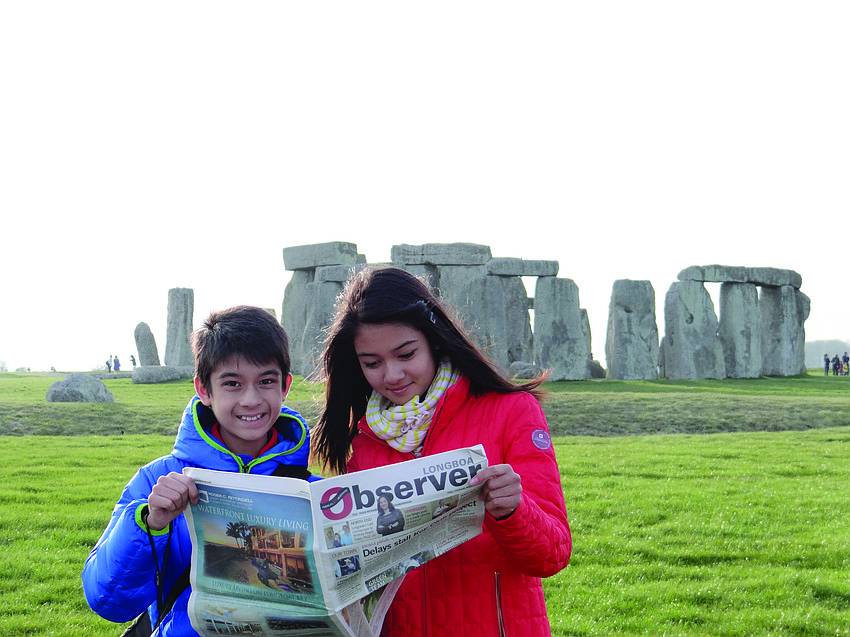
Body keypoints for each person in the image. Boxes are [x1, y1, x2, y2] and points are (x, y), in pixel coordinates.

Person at [311, 265, 571, 637]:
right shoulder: (363, 444)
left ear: (434, 339)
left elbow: (553, 554)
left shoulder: (511, 411)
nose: (392, 375)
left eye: (405, 354)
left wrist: (513, 511)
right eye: (372, 363)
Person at [82, 306, 318, 636]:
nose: (251, 399)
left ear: (285, 387)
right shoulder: (156, 482)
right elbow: (109, 601)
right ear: (204, 390)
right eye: (232, 383)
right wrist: (151, 523)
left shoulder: (314, 491)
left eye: (266, 381)